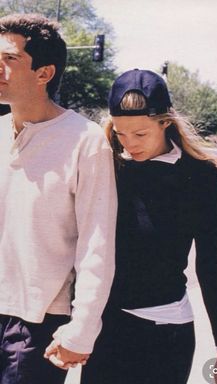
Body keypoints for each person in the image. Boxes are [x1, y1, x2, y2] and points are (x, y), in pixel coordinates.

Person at [81, 69, 217, 384]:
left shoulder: (199, 175)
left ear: (166, 123)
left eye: (141, 134)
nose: (130, 144)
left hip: (167, 335)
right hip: (105, 330)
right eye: (121, 133)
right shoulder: (106, 164)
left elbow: (209, 263)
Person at [0, 13, 117, 384]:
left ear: (44, 73)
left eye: (9, 59)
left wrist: (82, 329)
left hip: (36, 322)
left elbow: (97, 244)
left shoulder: (84, 140)